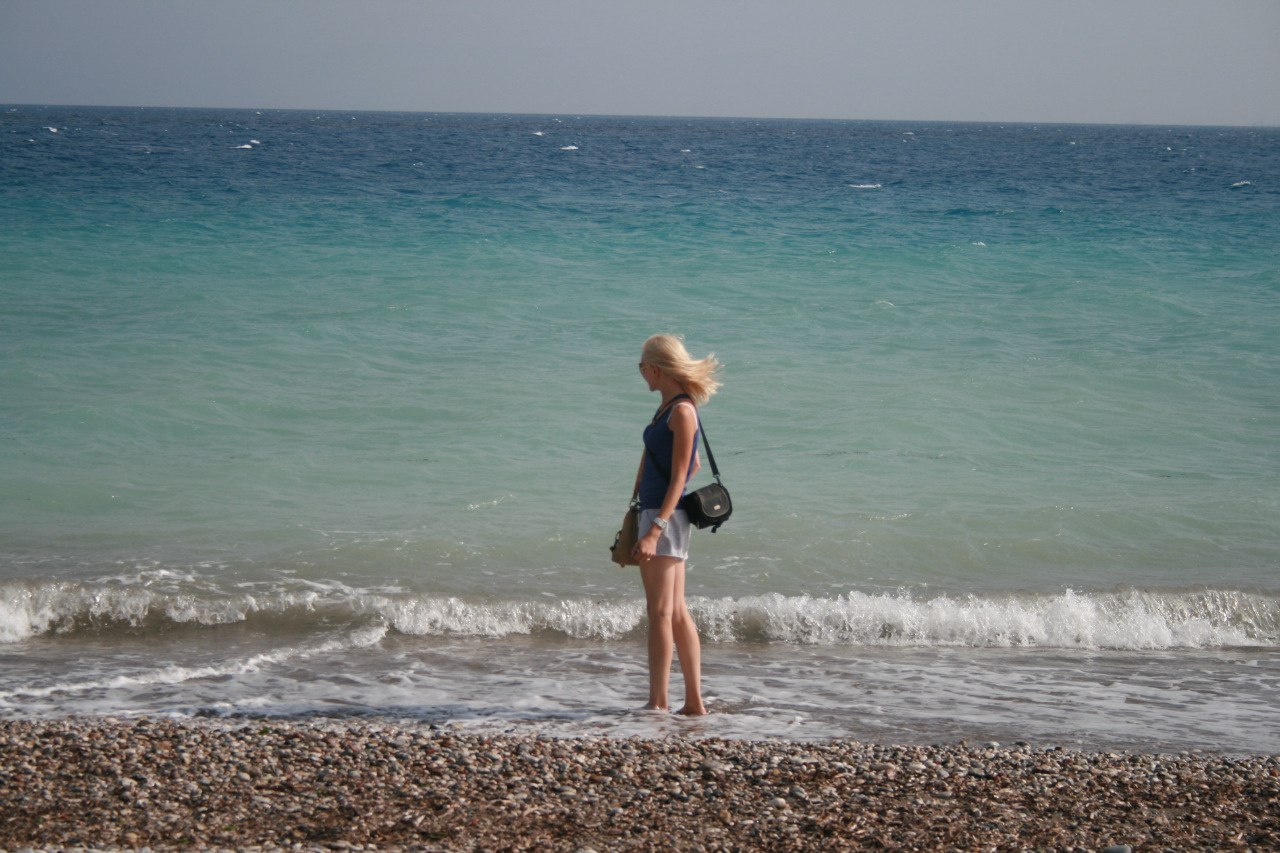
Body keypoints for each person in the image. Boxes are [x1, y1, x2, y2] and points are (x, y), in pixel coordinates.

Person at [631, 333, 722, 716]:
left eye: (641, 366)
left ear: (655, 368)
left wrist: (656, 528)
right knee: (677, 611)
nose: (641, 373)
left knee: (660, 613)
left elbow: (682, 474)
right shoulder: (668, 408)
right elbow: (692, 465)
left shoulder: (682, 411)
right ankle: (694, 704)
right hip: (657, 514)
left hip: (663, 518)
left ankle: (658, 703)